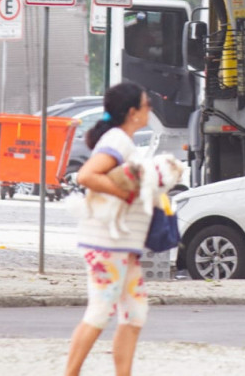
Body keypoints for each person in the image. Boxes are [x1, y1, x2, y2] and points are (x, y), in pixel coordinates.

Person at [65, 82, 154, 376]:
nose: (150, 109)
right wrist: (127, 194)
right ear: (133, 112)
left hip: (122, 245)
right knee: (101, 311)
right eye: (147, 104)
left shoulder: (122, 140)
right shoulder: (117, 141)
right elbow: (86, 175)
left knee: (135, 313)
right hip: (105, 244)